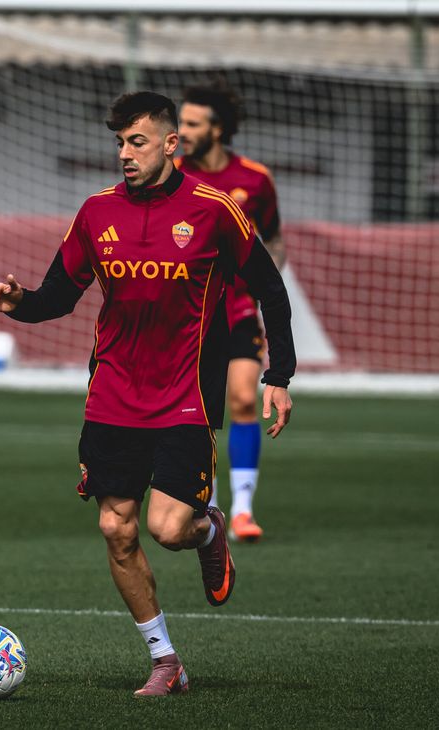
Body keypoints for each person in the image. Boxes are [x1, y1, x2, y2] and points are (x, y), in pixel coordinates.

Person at [0, 92, 295, 697]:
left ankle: (209, 532)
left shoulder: (214, 210)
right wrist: (18, 301)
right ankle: (165, 660)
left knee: (168, 529)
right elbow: (56, 298)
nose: (125, 154)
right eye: (120, 142)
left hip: (184, 395)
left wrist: (277, 373)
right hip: (112, 395)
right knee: (115, 528)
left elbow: (270, 288)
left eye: (138, 141)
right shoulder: (96, 212)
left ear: (172, 144)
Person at [176, 85, 283, 543]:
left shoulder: (255, 179)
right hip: (188, 316)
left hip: (239, 308)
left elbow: (274, 239)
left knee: (243, 399)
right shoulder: (174, 175)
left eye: (192, 124)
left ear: (217, 129)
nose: (181, 132)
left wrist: (267, 286)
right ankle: (210, 506)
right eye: (179, 123)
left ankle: (242, 509)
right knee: (198, 411)